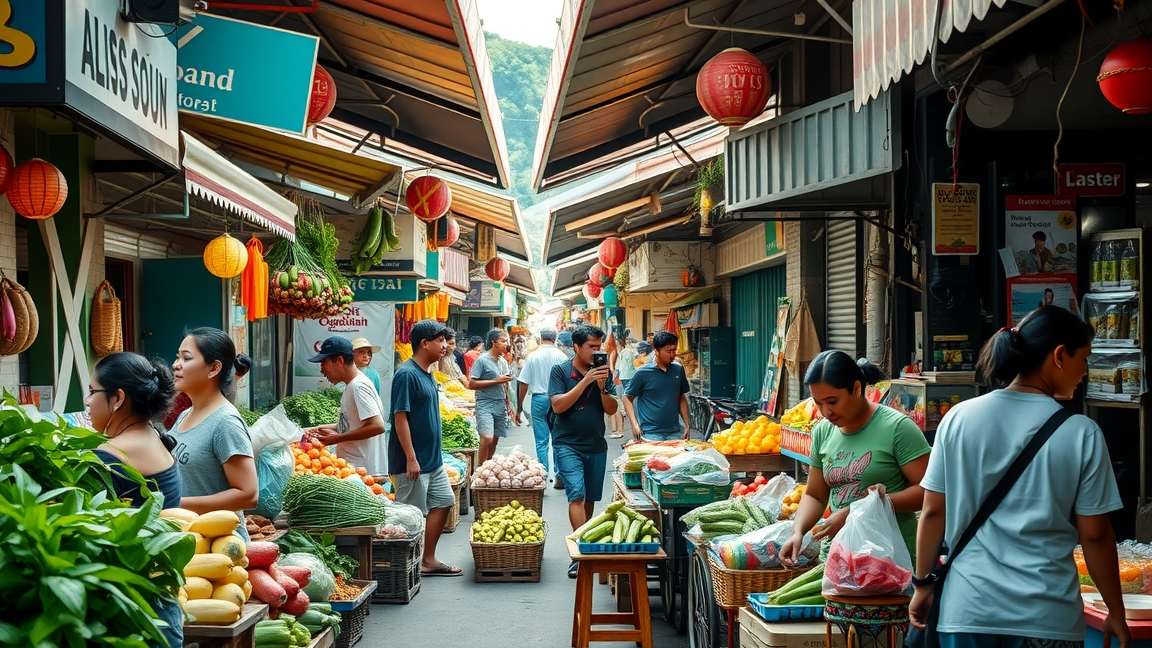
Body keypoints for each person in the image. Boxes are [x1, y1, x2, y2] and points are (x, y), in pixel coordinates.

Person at [909, 307, 1130, 647]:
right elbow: (1095, 534)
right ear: (1059, 355)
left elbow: (933, 512)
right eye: (1084, 358)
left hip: (966, 611)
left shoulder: (958, 418)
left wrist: (923, 585)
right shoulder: (1081, 433)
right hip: (1046, 617)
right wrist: (1115, 610)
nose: (1086, 371)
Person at [781, 350, 930, 565]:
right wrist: (798, 532)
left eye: (833, 401)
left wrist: (856, 511)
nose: (826, 412)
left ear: (857, 389)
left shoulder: (897, 428)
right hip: (839, 559)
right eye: (818, 403)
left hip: (891, 560)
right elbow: (815, 495)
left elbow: (927, 492)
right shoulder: (823, 431)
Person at [87, 351, 185, 648]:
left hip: (129, 615)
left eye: (92, 391)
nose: (87, 401)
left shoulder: (109, 457)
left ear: (118, 398)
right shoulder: (156, 436)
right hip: (163, 604)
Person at [170, 328, 258, 535]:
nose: (176, 364)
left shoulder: (225, 422)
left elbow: (248, 495)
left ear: (214, 368)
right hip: (188, 540)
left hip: (218, 545)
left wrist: (175, 504)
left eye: (186, 358)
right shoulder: (185, 415)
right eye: (177, 357)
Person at [390, 319, 461, 577]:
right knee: (410, 516)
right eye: (440, 340)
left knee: (444, 501)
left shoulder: (428, 372)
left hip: (433, 460)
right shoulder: (406, 374)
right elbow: (400, 417)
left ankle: (427, 559)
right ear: (424, 343)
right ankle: (403, 569)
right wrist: (410, 457)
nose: (445, 345)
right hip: (413, 461)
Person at [549, 324, 617, 578]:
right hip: (567, 443)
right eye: (591, 347)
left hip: (596, 444)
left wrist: (601, 386)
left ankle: (585, 541)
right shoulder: (560, 370)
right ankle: (580, 554)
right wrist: (585, 381)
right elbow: (558, 406)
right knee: (576, 495)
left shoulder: (604, 372)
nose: (596, 352)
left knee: (589, 499)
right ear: (577, 347)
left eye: (599, 347)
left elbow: (611, 409)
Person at [307, 337, 387, 478]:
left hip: (364, 474)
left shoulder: (358, 386)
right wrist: (321, 428)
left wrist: (338, 438)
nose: (322, 370)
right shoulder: (352, 385)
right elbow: (352, 425)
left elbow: (377, 426)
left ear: (339, 360)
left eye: (323, 363)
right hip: (354, 472)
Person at [515, 328, 569, 489]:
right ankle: (560, 477)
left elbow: (523, 382)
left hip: (539, 399)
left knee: (541, 441)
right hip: (558, 399)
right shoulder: (562, 357)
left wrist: (519, 407)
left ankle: (542, 476)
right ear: (555, 338)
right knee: (558, 439)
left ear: (540, 338)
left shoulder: (533, 357)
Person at [623, 330, 691, 441]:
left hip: (675, 431)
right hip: (650, 433)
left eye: (674, 350)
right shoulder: (642, 372)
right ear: (656, 351)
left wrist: (687, 425)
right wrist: (634, 425)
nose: (673, 354)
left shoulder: (678, 369)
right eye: (669, 351)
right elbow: (627, 398)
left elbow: (681, 397)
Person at [470, 329, 520, 464]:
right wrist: (496, 381)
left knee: (495, 439)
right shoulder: (482, 360)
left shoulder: (503, 361)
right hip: (484, 403)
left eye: (507, 341)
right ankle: (481, 469)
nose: (506, 344)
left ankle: (488, 466)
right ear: (494, 342)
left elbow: (506, 386)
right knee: (487, 437)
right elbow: (472, 383)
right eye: (503, 341)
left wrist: (513, 408)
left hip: (500, 403)